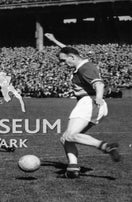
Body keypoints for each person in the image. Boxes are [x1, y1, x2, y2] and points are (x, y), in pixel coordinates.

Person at [45, 33, 121, 178]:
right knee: (65, 138)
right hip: (88, 103)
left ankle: (107, 146)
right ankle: (73, 168)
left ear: (72, 58)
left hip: (89, 102)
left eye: (63, 61)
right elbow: (68, 51)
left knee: (71, 135)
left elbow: (99, 83)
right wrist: (54, 40)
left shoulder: (85, 68)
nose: (62, 63)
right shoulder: (81, 62)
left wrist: (98, 97)